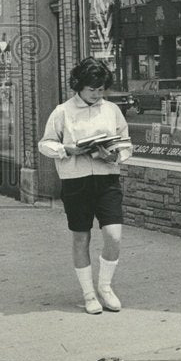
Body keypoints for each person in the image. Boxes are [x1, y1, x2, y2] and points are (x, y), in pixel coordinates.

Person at [38, 57, 133, 314]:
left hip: (107, 179)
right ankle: (89, 294)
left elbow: (126, 143)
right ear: (78, 86)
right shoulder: (62, 111)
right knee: (81, 237)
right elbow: (44, 144)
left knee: (114, 236)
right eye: (92, 89)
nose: (97, 94)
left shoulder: (111, 110)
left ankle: (105, 287)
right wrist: (65, 149)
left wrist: (114, 155)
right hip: (75, 181)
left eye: (101, 89)